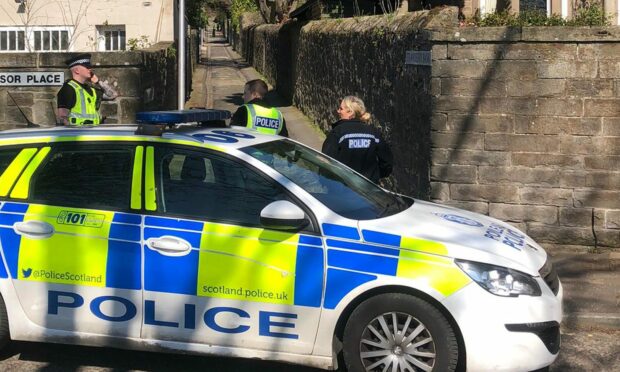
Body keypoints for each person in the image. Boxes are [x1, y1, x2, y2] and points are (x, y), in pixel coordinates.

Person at [322, 96, 393, 183]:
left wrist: (326, 183)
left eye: (341, 109)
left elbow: (326, 161)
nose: (338, 111)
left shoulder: (338, 132)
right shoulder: (373, 133)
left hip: (342, 189)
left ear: (350, 112)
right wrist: (375, 177)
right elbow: (387, 162)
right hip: (368, 190)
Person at [56, 53, 118, 126]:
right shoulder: (68, 88)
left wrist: (98, 82)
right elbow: (63, 116)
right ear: (77, 70)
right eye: (86, 67)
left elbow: (113, 95)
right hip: (76, 135)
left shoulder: (90, 89)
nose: (90, 69)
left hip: (93, 134)